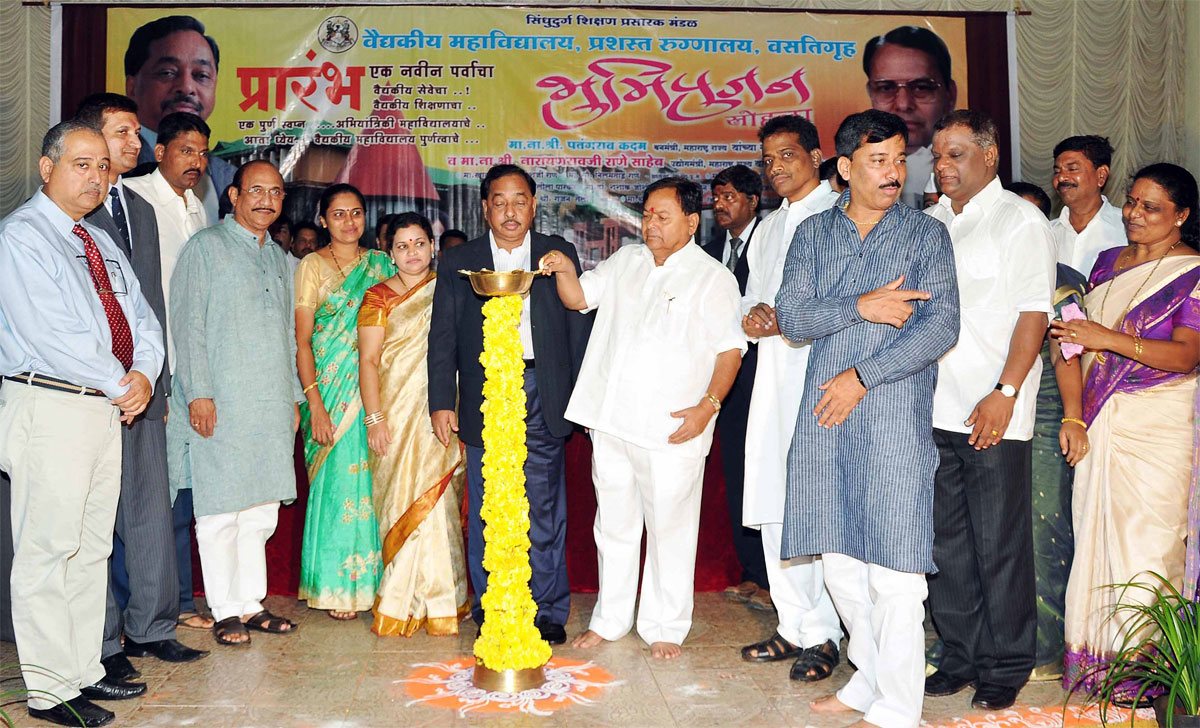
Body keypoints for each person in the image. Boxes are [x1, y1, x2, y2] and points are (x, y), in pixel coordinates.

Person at [775, 110, 958, 728]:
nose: (893, 172)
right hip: (826, 417)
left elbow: (941, 326)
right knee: (840, 565)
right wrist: (864, 305)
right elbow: (795, 319)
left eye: (900, 159)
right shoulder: (813, 235)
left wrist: (863, 377)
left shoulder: (926, 235)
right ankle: (870, 681)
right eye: (878, 161)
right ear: (846, 168)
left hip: (891, 417)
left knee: (897, 572)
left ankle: (901, 708)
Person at [0, 120, 165, 727]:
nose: (96, 177)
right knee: (48, 549)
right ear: (48, 169)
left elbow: (142, 318)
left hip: (102, 408)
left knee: (91, 547)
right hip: (50, 405)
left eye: (103, 166)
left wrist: (145, 372)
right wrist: (126, 381)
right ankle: (48, 690)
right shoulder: (22, 237)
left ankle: (82, 671)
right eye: (81, 164)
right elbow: (51, 334)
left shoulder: (100, 239)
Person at [543, 177, 743, 660]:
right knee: (612, 525)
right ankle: (610, 620)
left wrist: (708, 407)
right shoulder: (626, 260)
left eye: (662, 216)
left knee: (670, 528)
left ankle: (665, 624)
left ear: (692, 222)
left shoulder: (713, 277)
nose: (650, 224)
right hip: (611, 420)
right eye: (647, 214)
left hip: (672, 427)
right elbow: (577, 298)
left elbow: (730, 350)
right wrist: (564, 268)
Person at [1050, 163, 1199, 700]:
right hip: (1097, 418)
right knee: (1094, 535)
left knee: (1150, 544)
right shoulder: (1107, 262)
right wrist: (1072, 414)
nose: (1134, 214)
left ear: (1181, 215)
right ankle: (1098, 663)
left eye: (1151, 207)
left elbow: (1185, 356)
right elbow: (1069, 340)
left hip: (1160, 423)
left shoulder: (1192, 271)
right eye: (1132, 202)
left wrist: (1107, 338)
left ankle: (1149, 673)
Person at [924, 110, 1055, 711]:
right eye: (938, 155)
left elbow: (1034, 313)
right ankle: (959, 656)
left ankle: (1006, 663)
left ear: (991, 156)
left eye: (955, 154)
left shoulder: (1018, 220)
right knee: (946, 544)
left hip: (992, 410)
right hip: (933, 407)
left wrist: (1005, 393)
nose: (943, 165)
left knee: (996, 542)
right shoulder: (930, 224)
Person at [75, 93, 208, 682]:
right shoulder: (72, 213)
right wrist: (112, 379)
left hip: (146, 386)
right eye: (121, 132)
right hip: (92, 392)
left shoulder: (141, 208)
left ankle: (154, 627)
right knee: (95, 520)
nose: (133, 142)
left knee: (151, 511)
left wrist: (157, 377)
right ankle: (103, 640)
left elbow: (150, 306)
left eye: (135, 132)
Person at [429, 164, 590, 645]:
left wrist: (581, 395)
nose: (510, 211)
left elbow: (576, 325)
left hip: (543, 388)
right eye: (499, 201)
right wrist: (441, 400)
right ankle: (492, 604)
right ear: (484, 208)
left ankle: (546, 608)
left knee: (543, 505)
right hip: (483, 395)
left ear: (534, 204)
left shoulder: (557, 255)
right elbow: (441, 337)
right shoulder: (461, 259)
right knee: (486, 504)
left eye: (519, 200)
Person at [167, 160, 302, 646]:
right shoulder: (205, 249)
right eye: (256, 191)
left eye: (276, 192)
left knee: (261, 512)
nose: (266, 200)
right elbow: (188, 327)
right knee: (221, 511)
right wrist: (198, 394)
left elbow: (289, 337)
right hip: (219, 402)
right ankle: (224, 608)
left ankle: (251, 603)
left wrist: (292, 399)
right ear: (233, 196)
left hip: (269, 404)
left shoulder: (278, 259)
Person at [738, 115, 843, 680]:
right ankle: (793, 621)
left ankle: (826, 633)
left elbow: (853, 302)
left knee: (816, 503)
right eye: (769, 159)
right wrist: (754, 317)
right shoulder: (769, 226)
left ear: (817, 154)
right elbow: (753, 297)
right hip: (774, 377)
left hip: (825, 376)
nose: (777, 168)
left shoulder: (840, 216)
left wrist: (790, 318)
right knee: (776, 501)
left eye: (787, 155)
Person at [123, 111, 214, 633]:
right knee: (150, 494)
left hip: (189, 370)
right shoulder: (137, 200)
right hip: (146, 372)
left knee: (181, 491)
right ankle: (153, 605)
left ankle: (177, 599)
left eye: (202, 153)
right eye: (186, 151)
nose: (196, 163)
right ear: (160, 152)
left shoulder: (199, 207)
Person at [358, 212, 468, 636]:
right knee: (401, 500)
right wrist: (375, 419)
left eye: (419, 243)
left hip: (442, 410)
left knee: (438, 503)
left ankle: (443, 600)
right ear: (390, 254)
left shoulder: (451, 290)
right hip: (396, 415)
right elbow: (368, 361)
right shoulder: (377, 298)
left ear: (433, 246)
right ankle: (401, 599)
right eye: (402, 246)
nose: (412, 253)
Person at [295, 183, 395, 620]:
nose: (349, 222)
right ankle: (336, 588)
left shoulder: (382, 263)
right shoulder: (311, 267)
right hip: (330, 394)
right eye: (338, 214)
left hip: (375, 392)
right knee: (337, 486)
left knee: (373, 487)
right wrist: (314, 403)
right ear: (323, 219)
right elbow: (302, 343)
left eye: (356, 213)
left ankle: (375, 586)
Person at [702, 164, 769, 610]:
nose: (721, 205)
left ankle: (770, 576)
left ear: (752, 200)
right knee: (735, 473)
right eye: (717, 198)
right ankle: (749, 571)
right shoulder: (707, 253)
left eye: (729, 197)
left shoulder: (770, 243)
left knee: (763, 473)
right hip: (718, 380)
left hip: (762, 376)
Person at [125, 14, 236, 223]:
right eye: (167, 72)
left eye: (201, 75)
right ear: (132, 86)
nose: (186, 87)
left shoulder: (224, 177)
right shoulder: (124, 178)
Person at [862, 26, 957, 210]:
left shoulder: (965, 172)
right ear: (871, 94)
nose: (904, 104)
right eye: (886, 88)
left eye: (921, 87)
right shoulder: (853, 167)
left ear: (950, 95)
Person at [1051, 136, 1125, 277]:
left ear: (1101, 175)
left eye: (1072, 169)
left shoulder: (1128, 229)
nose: (1061, 178)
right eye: (1057, 171)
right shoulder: (1047, 231)